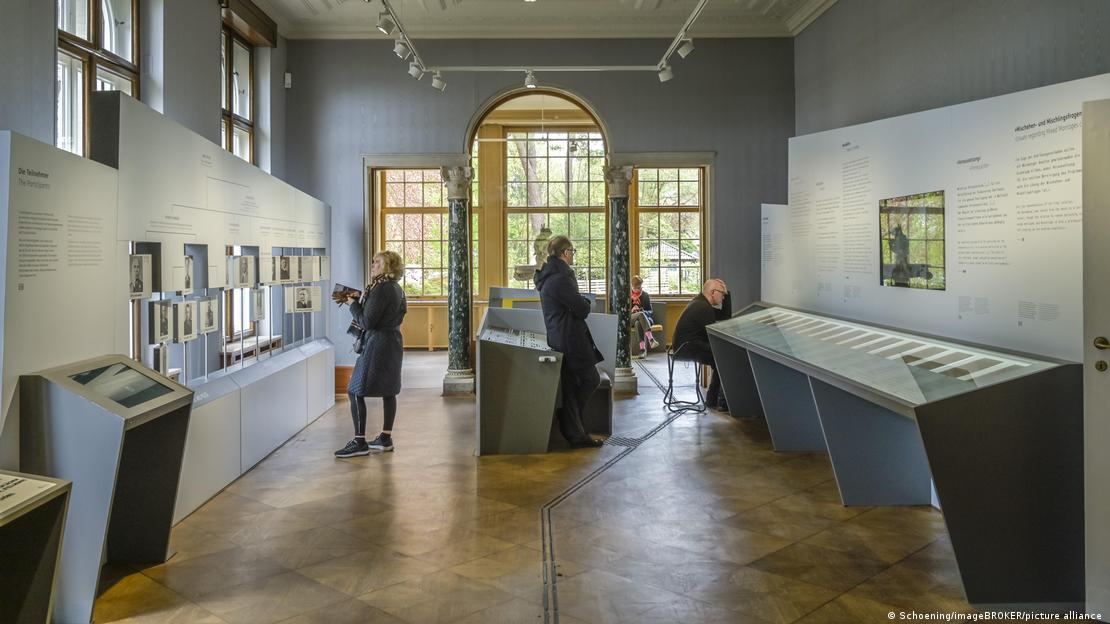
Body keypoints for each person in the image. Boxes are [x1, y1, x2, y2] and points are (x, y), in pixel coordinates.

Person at [534, 235, 605, 449]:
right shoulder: (561, 279)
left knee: (572, 385)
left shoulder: (550, 276)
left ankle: (575, 428)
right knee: (590, 379)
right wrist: (583, 301)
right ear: (565, 253)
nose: (573, 255)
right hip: (570, 340)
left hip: (560, 337)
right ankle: (571, 426)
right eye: (572, 251)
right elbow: (582, 309)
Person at [336, 250, 408, 458]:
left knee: (354, 390)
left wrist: (352, 304)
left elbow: (367, 322)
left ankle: (359, 441)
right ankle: (385, 438)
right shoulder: (395, 288)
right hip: (392, 342)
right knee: (389, 390)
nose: (373, 265)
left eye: (377, 262)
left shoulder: (382, 289)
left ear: (388, 266)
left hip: (377, 344)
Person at [672, 278, 732, 411]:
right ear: (712, 292)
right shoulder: (703, 307)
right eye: (722, 293)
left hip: (686, 347)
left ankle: (714, 400)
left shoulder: (701, 303)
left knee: (720, 358)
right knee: (723, 358)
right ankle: (719, 401)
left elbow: (725, 316)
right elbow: (710, 336)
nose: (723, 297)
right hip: (687, 348)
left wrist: (727, 292)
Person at [630, 275, 659, 357]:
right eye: (635, 288)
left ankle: (642, 350)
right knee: (639, 315)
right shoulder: (627, 296)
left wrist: (642, 311)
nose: (637, 289)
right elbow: (623, 312)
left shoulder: (645, 295)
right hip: (630, 318)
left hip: (643, 319)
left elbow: (650, 311)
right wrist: (632, 310)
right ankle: (651, 339)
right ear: (631, 286)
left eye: (639, 287)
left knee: (638, 323)